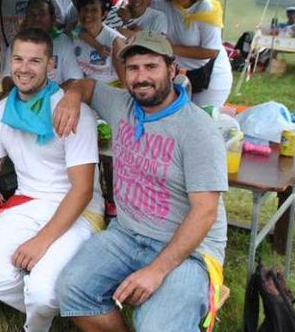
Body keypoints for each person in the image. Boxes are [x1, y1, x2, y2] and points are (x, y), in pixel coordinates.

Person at [53, 31, 228, 332]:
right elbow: (84, 85)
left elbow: (205, 212)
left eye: (151, 67)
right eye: (133, 68)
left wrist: (157, 270)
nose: (141, 76)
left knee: (154, 326)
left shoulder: (198, 129)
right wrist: (71, 96)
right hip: (127, 233)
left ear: (172, 70)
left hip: (191, 250)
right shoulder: (121, 104)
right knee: (72, 288)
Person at [0, 28, 104, 332]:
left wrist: (41, 242)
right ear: (8, 62)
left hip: (78, 209)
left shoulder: (72, 112)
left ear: (51, 64)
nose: (24, 69)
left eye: (35, 61)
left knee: (42, 291)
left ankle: (38, 320)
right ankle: (51, 310)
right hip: (28, 203)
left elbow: (81, 190)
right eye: (18, 59)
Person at [152, 0, 232, 107]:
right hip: (176, 75)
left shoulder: (205, 8)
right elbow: (138, 3)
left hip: (210, 75)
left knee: (203, 119)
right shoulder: (159, 3)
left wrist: (172, 48)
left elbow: (211, 51)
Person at [1, 0, 82, 93]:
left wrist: (44, 99)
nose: (37, 18)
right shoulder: (17, 43)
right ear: (26, 19)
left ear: (52, 19)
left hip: (56, 101)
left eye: (42, 13)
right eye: (32, 14)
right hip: (22, 100)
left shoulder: (63, 42)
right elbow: (7, 79)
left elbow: (75, 80)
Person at [71, 0, 126, 84]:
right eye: (85, 9)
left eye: (94, 10)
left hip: (113, 89)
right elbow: (71, 29)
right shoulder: (75, 33)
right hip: (87, 88)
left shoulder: (115, 41)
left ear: (103, 14)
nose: (88, 14)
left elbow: (126, 82)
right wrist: (97, 46)